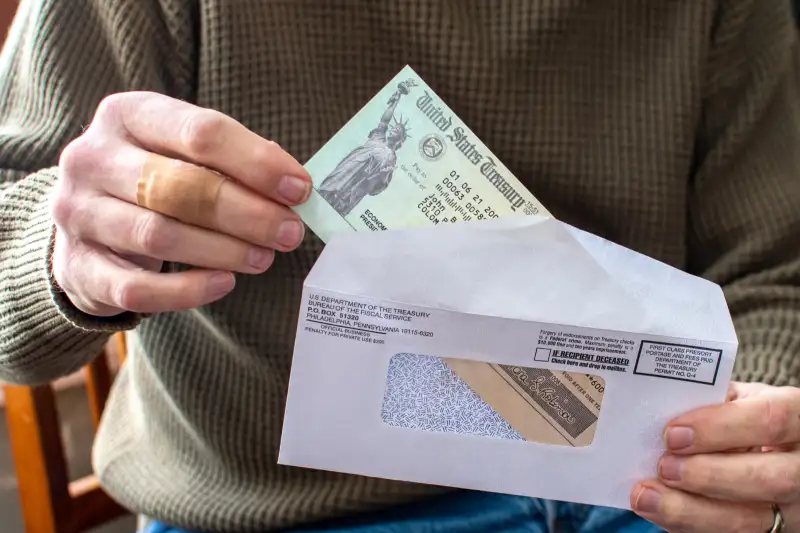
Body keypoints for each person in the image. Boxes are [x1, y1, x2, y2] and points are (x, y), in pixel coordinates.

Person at [0, 1, 798, 532]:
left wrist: (757, 453)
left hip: (650, 486)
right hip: (284, 504)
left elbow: (772, 261)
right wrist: (69, 252)